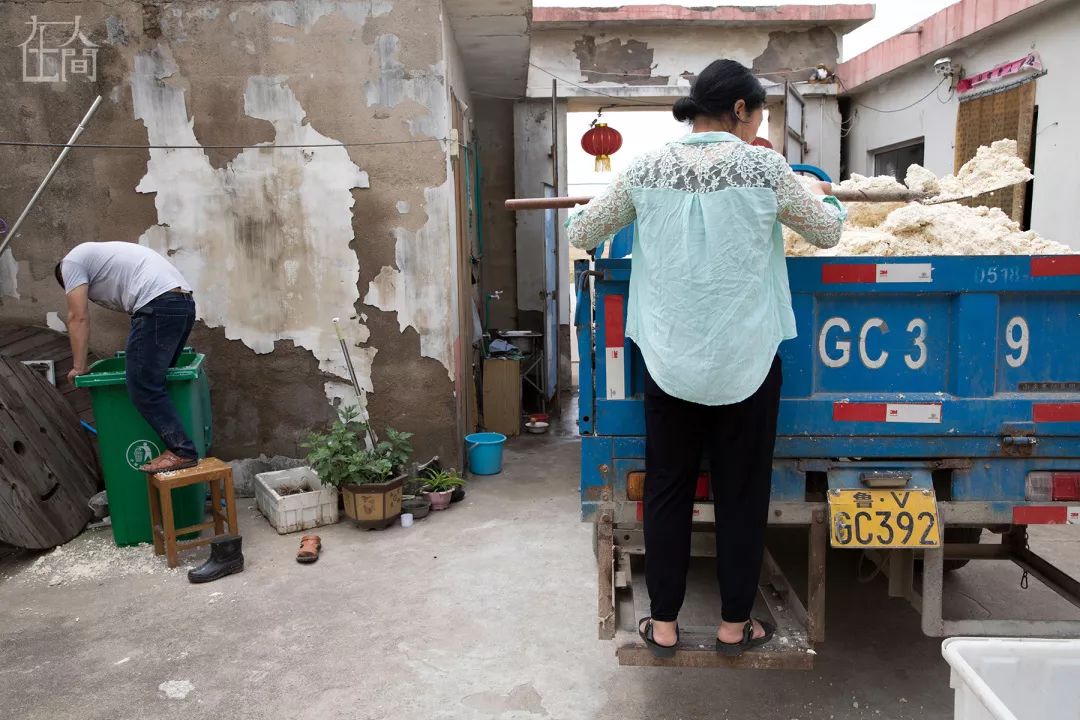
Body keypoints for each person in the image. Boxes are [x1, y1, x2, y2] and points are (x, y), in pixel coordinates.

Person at [568, 59, 844, 657]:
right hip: (747, 359)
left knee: (668, 487)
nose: (756, 125)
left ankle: (662, 625)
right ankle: (733, 625)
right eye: (758, 114)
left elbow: (585, 229)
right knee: (740, 492)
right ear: (740, 110)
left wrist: (601, 207)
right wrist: (827, 198)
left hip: (669, 361)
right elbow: (824, 233)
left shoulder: (647, 165)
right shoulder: (766, 167)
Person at [56, 241, 199, 473]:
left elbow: (78, 317)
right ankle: (180, 447)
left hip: (157, 304)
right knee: (158, 381)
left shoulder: (70, 264)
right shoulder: (99, 257)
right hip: (182, 303)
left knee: (144, 387)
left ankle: (182, 451)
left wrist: (78, 366)